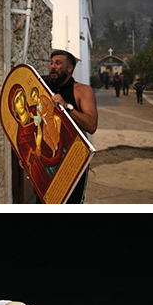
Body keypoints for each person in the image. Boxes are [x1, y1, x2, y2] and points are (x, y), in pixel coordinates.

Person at [45, 49, 98, 204]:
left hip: (73, 159)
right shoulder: (46, 89)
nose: (53, 66)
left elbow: (91, 125)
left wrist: (67, 107)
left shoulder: (82, 91)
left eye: (58, 63)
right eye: (52, 63)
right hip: (49, 160)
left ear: (70, 68)